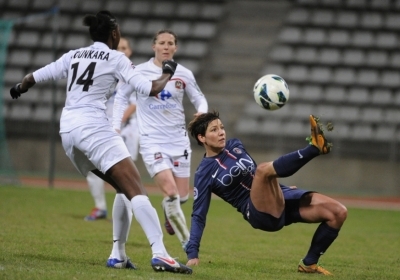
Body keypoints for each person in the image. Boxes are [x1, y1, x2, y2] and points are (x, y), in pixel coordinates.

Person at [9, 11, 192, 274]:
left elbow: (32, 78)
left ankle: (118, 254)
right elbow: (151, 88)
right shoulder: (117, 58)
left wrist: (19, 88)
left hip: (69, 133)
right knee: (136, 187)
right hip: (94, 127)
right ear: (114, 34)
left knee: (122, 188)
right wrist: (167, 72)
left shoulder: (73, 55)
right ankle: (160, 253)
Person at [185, 111, 347, 275]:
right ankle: (313, 148)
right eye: (213, 130)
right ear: (201, 138)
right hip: (258, 213)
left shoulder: (235, 145)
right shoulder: (203, 173)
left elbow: (255, 177)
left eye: (222, 127)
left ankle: (309, 263)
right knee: (263, 170)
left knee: (338, 212)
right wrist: (193, 253)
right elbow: (199, 215)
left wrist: (276, 191)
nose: (221, 132)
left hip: (277, 197)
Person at [113, 29, 208, 250]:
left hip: (178, 141)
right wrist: (115, 126)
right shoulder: (138, 71)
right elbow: (121, 96)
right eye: (162, 43)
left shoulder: (184, 74)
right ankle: (188, 245)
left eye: (170, 43)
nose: (166, 47)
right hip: (151, 141)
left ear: (176, 48)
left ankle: (169, 210)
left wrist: (202, 112)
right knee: (171, 192)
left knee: (182, 196)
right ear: (153, 46)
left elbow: (199, 99)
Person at [84, 37, 139, 221]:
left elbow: (134, 105)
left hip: (125, 130)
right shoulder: (105, 70)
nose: (121, 50)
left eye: (125, 47)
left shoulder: (132, 72)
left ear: (130, 51)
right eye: (118, 47)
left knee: (124, 174)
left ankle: (129, 212)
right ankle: (100, 207)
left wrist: (116, 123)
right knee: (93, 169)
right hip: (104, 128)